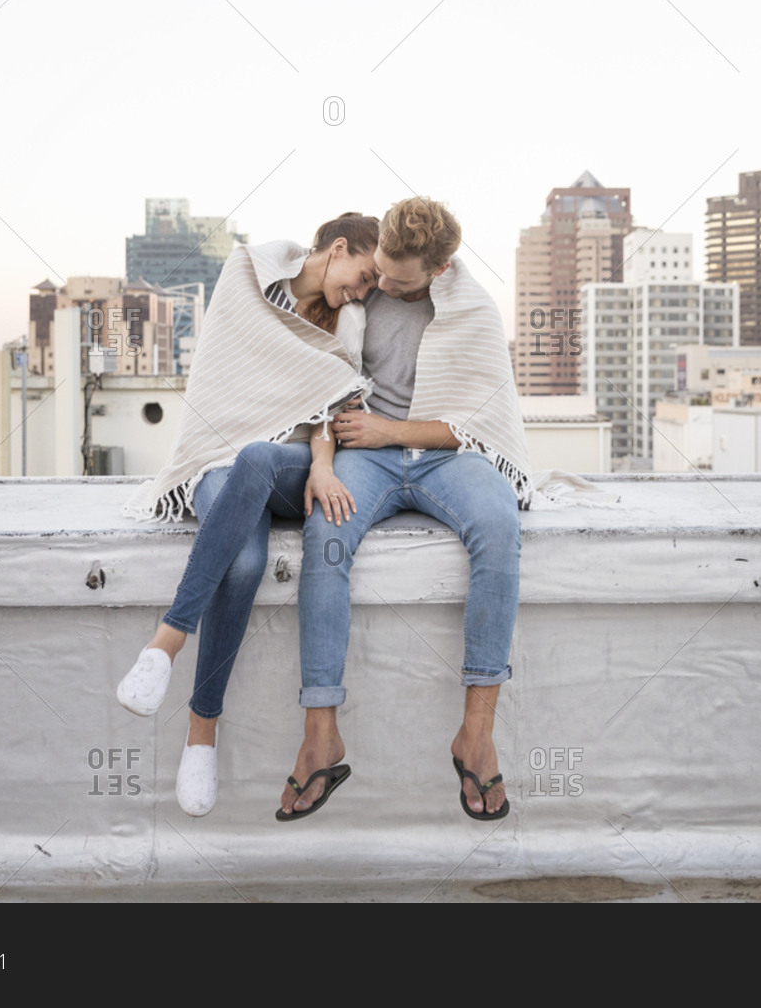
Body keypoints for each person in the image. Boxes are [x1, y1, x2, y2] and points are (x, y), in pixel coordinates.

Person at [277, 197, 529, 823]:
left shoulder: (473, 311)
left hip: (446, 456)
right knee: (326, 533)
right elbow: (324, 386)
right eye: (380, 271)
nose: (380, 286)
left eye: (398, 280)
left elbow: (479, 425)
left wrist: (389, 430)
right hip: (368, 457)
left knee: (499, 526)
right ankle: (321, 735)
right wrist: (338, 449)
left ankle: (476, 734)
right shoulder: (362, 292)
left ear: (439, 270)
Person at [120, 213, 380, 817]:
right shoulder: (246, 276)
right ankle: (201, 733)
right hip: (217, 456)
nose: (362, 292)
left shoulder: (349, 320)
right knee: (243, 563)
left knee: (259, 456)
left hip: (292, 468)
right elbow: (221, 382)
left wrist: (322, 464)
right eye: (364, 276)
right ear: (338, 249)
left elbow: (337, 403)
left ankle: (165, 642)